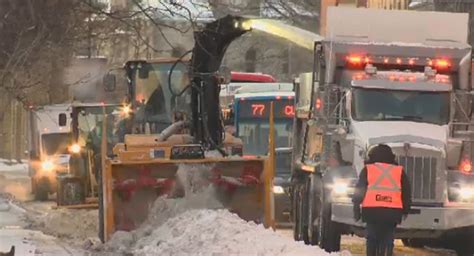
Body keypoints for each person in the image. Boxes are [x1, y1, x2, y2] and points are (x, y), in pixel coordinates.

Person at [352, 144, 411, 256]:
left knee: (372, 238)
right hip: (392, 213)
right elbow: (406, 192)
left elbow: (359, 190)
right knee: (388, 239)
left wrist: (356, 208)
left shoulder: (368, 170)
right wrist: (406, 210)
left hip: (372, 211)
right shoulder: (399, 171)